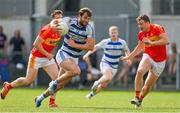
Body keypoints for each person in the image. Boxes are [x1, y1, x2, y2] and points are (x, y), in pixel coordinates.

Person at [1, 10, 64, 107]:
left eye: (60, 18)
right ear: (52, 19)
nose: (59, 20)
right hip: (36, 57)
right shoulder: (46, 29)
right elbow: (36, 44)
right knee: (28, 81)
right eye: (57, 18)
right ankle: (8, 86)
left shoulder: (61, 30)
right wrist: (47, 54)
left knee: (57, 80)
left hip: (47, 58)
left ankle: (51, 102)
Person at [35, 7, 95, 107]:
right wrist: (54, 28)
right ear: (79, 15)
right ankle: (55, 82)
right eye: (85, 17)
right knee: (76, 71)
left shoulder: (89, 28)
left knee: (61, 85)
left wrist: (75, 45)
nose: (86, 20)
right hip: (64, 54)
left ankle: (40, 98)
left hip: (74, 58)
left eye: (88, 18)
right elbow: (53, 23)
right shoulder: (68, 21)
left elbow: (91, 46)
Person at [121, 14, 169, 108]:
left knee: (147, 85)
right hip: (148, 56)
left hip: (160, 61)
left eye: (141, 24)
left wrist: (151, 43)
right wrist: (129, 57)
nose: (140, 26)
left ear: (148, 23)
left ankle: (140, 100)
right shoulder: (141, 34)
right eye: (138, 24)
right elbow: (140, 47)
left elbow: (166, 41)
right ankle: (136, 96)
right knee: (139, 71)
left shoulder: (157, 28)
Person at [83, 26, 131, 99]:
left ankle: (91, 95)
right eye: (112, 32)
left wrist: (128, 58)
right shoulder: (105, 42)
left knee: (104, 85)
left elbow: (126, 50)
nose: (113, 34)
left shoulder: (122, 42)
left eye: (115, 32)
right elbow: (95, 47)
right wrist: (87, 54)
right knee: (108, 76)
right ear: (109, 33)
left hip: (114, 67)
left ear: (117, 33)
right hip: (105, 63)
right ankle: (97, 82)